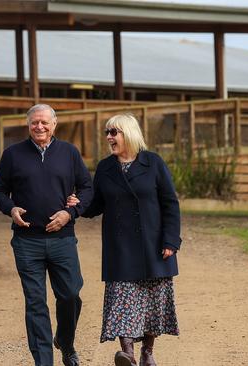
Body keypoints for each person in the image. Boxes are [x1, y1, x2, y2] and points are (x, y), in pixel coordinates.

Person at [68, 114, 180, 366]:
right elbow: (97, 205)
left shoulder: (153, 163)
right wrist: (79, 205)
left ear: (128, 133)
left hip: (153, 245)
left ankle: (147, 352)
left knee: (153, 302)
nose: (109, 137)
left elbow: (170, 204)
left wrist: (171, 241)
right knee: (122, 300)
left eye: (114, 132)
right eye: (108, 132)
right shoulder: (106, 167)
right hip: (120, 248)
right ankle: (127, 354)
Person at [0, 104, 93, 366]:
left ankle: (66, 343)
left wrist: (71, 213)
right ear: (28, 125)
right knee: (36, 302)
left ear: (54, 124)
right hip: (27, 241)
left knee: (70, 294)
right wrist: (10, 208)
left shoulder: (69, 153)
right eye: (35, 122)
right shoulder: (13, 154)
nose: (39, 127)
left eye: (44, 122)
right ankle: (43, 361)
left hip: (63, 239)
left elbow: (86, 188)